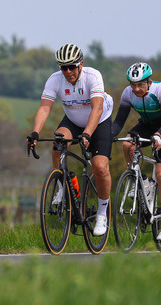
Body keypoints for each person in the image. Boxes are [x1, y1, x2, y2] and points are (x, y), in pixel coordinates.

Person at [26, 43, 114, 237]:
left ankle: (102, 213)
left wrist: (88, 134)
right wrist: (35, 132)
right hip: (73, 119)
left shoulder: (93, 76)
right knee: (58, 143)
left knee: (100, 167)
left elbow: (97, 109)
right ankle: (61, 185)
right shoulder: (55, 80)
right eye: (63, 67)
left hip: (98, 121)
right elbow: (44, 108)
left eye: (71, 66)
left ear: (80, 64)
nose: (67, 71)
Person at [111, 61, 161, 241]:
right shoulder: (128, 94)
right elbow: (119, 122)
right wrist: (107, 136)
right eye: (132, 85)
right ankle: (140, 181)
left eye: (140, 85)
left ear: (149, 82)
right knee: (127, 144)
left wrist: (159, 135)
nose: (135, 89)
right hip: (147, 125)